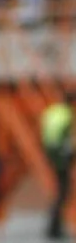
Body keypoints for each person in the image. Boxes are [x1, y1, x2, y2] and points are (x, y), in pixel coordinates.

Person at [43, 92, 75, 239]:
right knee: (64, 191)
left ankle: (54, 226)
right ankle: (54, 227)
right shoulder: (66, 115)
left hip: (50, 152)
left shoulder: (52, 111)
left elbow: (47, 132)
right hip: (61, 156)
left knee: (61, 192)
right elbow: (66, 138)